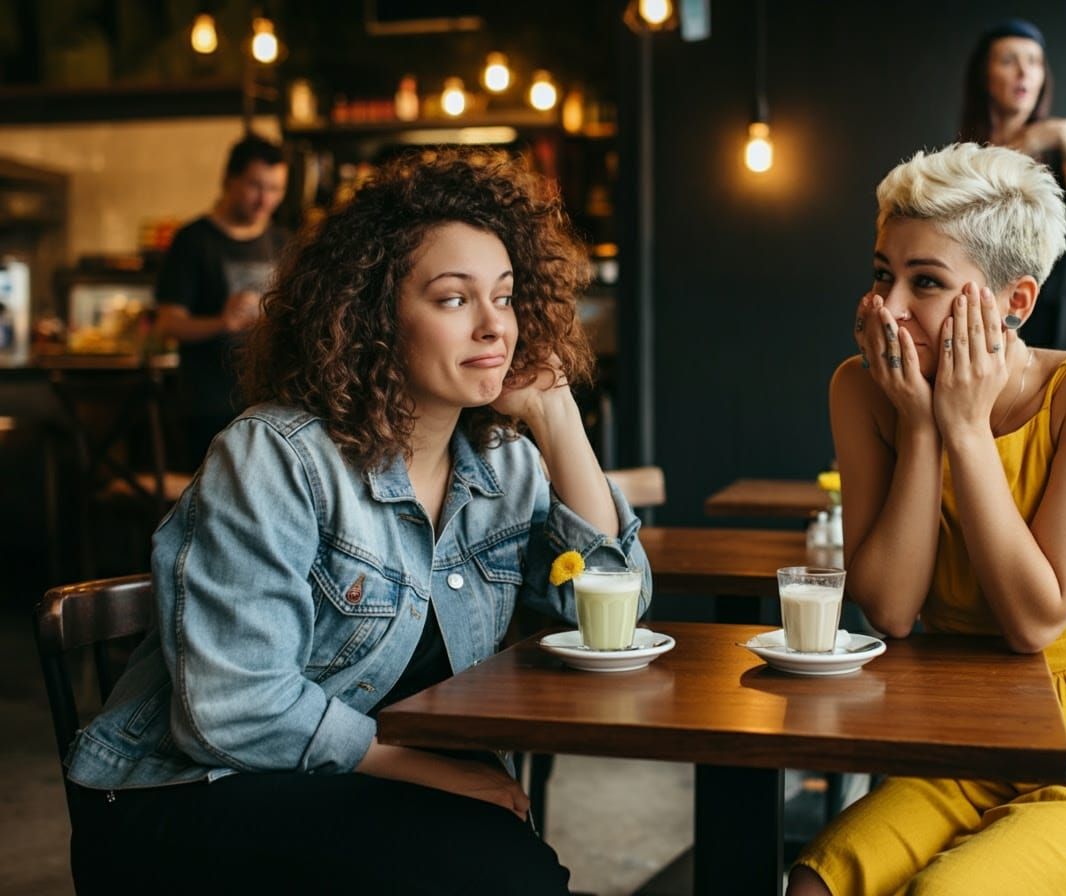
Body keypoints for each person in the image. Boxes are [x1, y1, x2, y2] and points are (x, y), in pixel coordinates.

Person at [63, 146, 651, 895]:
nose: (493, 327)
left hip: (347, 786)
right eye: (452, 299)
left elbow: (612, 614)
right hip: (189, 795)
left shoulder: (502, 464)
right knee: (507, 875)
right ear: (373, 318)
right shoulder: (276, 458)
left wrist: (557, 412)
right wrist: (424, 770)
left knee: (508, 869)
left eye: (504, 297)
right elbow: (233, 708)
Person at [787, 143, 1066, 895]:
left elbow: (1034, 622)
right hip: (967, 746)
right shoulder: (864, 389)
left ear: (1014, 303)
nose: (892, 308)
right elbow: (891, 608)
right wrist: (920, 430)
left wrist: (967, 429)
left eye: (928, 283)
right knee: (816, 883)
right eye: (884, 274)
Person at [958, 18, 1066, 351]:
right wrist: (1023, 143)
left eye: (1034, 62)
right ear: (985, 75)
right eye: (1009, 60)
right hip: (990, 307)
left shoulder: (1061, 148)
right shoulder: (964, 160)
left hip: (1064, 314)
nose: (1023, 72)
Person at [154, 132, 289, 469]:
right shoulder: (193, 240)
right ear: (229, 180)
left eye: (275, 190)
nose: (265, 200)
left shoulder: (283, 241)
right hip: (207, 406)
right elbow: (168, 323)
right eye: (256, 186)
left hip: (271, 405)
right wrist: (221, 323)